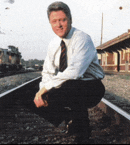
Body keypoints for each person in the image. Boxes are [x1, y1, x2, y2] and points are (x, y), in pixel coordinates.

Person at [34, 1, 105, 143]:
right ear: (50, 23)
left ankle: (82, 131)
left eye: (62, 20)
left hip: (91, 86)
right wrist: (42, 90)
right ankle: (71, 119)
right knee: (29, 94)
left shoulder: (82, 38)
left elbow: (75, 71)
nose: (58, 25)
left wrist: (46, 89)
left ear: (70, 20)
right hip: (69, 86)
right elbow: (47, 72)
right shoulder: (53, 44)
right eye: (54, 21)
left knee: (70, 86)